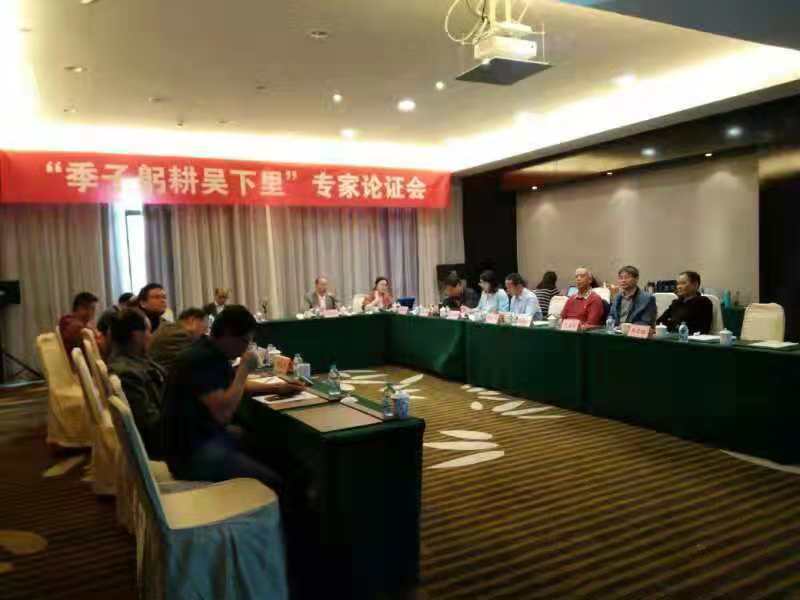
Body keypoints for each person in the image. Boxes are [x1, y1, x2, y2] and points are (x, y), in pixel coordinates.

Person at [161, 305, 299, 490]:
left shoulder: (209, 350)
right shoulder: (201, 359)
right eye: (244, 341)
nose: (245, 349)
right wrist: (244, 369)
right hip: (192, 453)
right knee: (274, 482)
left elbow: (231, 386)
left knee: (275, 454)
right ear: (227, 334)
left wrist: (277, 388)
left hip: (201, 438)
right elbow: (223, 414)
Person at [108, 308, 166, 459]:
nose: (151, 336)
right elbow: (151, 423)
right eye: (149, 331)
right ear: (136, 336)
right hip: (165, 445)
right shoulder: (127, 374)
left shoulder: (135, 360)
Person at [149, 307, 209, 374]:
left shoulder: (168, 327)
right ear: (192, 320)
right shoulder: (180, 335)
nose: (205, 332)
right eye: (204, 327)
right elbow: (193, 362)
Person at [59, 292, 99, 363]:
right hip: (77, 366)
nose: (90, 313)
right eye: (86, 308)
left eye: (92, 309)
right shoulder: (68, 322)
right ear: (76, 309)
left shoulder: (85, 324)